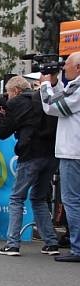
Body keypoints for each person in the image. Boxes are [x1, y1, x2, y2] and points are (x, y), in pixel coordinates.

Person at [0, 76, 59, 257]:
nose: (8, 97)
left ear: (15, 91)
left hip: (30, 153)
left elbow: (2, 132)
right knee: (38, 198)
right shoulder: (43, 97)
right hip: (52, 154)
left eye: (9, 93)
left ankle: (12, 244)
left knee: (16, 198)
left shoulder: (17, 103)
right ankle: (51, 243)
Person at [40, 51, 80, 262]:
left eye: (67, 65)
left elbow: (53, 106)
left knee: (72, 201)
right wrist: (54, 84)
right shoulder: (75, 87)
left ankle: (78, 248)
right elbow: (64, 98)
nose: (63, 69)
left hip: (74, 152)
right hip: (74, 150)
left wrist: (46, 84)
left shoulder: (79, 86)